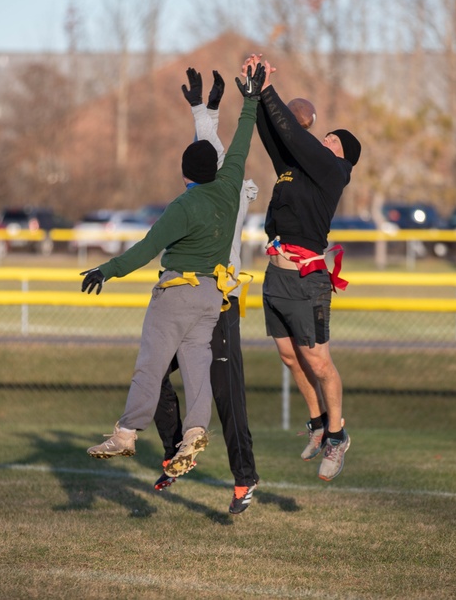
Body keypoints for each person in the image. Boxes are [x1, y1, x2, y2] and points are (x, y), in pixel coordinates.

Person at [82, 63, 266, 483]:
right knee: (197, 369)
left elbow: (146, 250)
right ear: (217, 170)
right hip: (210, 298)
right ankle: (195, 433)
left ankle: (127, 433)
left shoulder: (182, 207)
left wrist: (106, 270)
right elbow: (239, 145)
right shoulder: (230, 188)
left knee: (151, 365)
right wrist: (251, 100)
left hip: (176, 294)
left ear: (185, 174)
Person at [242, 53, 361, 482]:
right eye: (324, 136)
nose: (324, 140)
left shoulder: (334, 172)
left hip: (307, 280)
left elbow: (292, 133)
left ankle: (337, 434)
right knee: (290, 357)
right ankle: (315, 423)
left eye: (332, 139)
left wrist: (269, 88)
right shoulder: (295, 170)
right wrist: (254, 98)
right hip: (277, 275)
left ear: (343, 156)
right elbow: (276, 139)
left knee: (320, 362)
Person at [150, 67, 260, 515]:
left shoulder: (229, 194)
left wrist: (207, 112)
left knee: (226, 393)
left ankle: (244, 479)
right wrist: (203, 110)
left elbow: (221, 156)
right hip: (184, 298)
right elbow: (208, 155)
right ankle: (178, 452)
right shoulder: (203, 192)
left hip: (221, 301)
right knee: (153, 375)